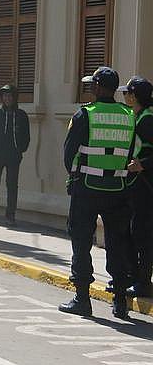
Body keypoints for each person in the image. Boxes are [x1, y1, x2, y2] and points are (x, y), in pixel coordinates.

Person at [60, 67, 134, 320]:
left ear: (99, 87)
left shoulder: (85, 114)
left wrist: (74, 176)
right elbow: (130, 152)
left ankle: (82, 298)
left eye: (93, 85)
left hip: (87, 188)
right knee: (118, 244)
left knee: (81, 241)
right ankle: (120, 301)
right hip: (119, 189)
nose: (90, 88)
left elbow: (68, 155)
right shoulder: (128, 115)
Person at [121, 77, 153, 298]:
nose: (124, 97)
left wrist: (143, 165)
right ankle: (135, 277)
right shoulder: (137, 117)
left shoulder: (147, 120)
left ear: (134, 96)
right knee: (135, 233)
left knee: (143, 235)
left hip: (146, 187)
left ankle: (143, 281)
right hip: (136, 186)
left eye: (127, 93)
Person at [0, 84, 31, 225]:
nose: (8, 99)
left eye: (10, 96)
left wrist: (20, 149)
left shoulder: (21, 116)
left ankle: (10, 215)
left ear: (15, 98)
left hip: (13, 156)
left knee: (12, 185)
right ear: (2, 98)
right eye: (5, 96)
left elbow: (26, 136)